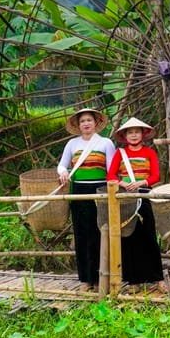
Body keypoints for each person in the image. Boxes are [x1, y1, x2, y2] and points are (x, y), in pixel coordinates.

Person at [57, 107, 115, 290]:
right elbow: (61, 166)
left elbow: (111, 170)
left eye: (89, 120)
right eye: (82, 121)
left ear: (96, 123)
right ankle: (85, 279)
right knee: (81, 234)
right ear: (78, 125)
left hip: (99, 192)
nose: (86, 124)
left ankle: (99, 278)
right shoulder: (72, 144)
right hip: (79, 192)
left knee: (99, 233)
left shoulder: (105, 143)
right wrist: (64, 172)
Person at [106, 116, 166, 291]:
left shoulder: (149, 153)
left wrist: (141, 183)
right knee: (129, 237)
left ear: (143, 134)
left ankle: (157, 278)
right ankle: (134, 281)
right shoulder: (120, 153)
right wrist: (123, 184)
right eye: (130, 132)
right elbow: (110, 175)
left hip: (144, 195)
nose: (133, 135)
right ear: (125, 136)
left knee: (149, 235)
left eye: (136, 132)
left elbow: (156, 176)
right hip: (126, 198)